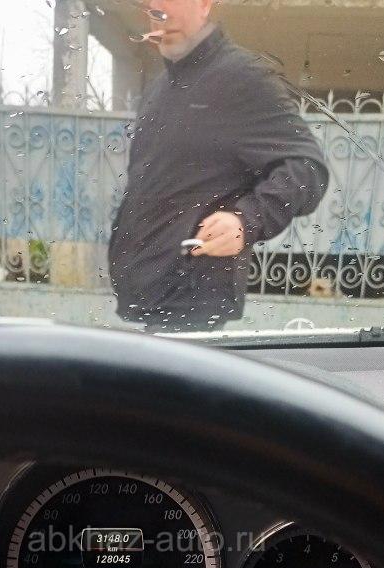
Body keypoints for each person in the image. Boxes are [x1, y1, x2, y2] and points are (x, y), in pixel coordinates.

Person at [108, 0, 329, 333]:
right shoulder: (159, 89)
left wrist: (246, 220)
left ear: (205, 4)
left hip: (191, 301)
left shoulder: (241, 78)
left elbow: (307, 169)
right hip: (149, 299)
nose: (159, 11)